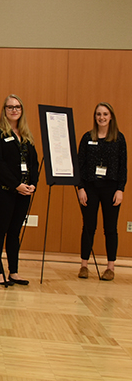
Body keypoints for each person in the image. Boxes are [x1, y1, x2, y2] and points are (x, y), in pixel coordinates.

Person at [0, 94, 38, 286]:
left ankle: (13, 272)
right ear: (4, 110)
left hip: (24, 192)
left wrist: (33, 184)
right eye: (10, 107)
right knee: (0, 230)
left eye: (17, 107)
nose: (14, 110)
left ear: (21, 110)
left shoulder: (26, 135)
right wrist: (16, 184)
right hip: (3, 190)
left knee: (15, 232)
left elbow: (34, 163)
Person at [77, 102, 126, 281]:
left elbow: (123, 167)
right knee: (89, 227)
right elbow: (79, 165)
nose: (102, 117)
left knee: (110, 228)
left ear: (111, 116)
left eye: (105, 114)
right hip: (89, 188)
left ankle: (110, 267)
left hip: (111, 188)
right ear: (95, 117)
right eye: (98, 114)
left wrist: (120, 189)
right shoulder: (86, 138)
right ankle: (84, 265)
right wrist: (80, 188)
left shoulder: (119, 139)